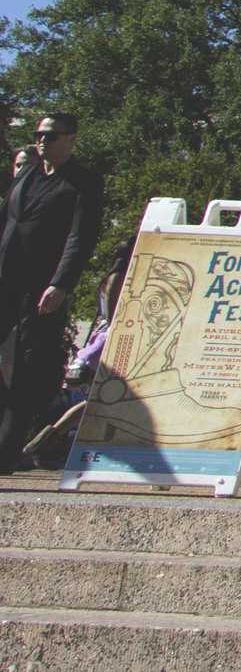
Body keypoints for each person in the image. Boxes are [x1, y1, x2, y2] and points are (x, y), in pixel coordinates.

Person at [0, 114, 104, 475]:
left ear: (71, 139)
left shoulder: (82, 183)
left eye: (52, 135)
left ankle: (7, 451)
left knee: (27, 370)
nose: (43, 140)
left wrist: (61, 282)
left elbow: (80, 238)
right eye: (39, 135)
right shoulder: (27, 174)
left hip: (41, 289)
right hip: (4, 280)